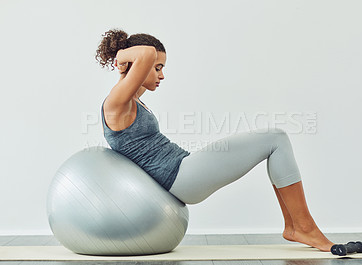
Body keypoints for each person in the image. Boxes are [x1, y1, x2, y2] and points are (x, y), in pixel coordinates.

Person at [95, 29, 335, 252]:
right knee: (276, 139)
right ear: (138, 64)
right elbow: (146, 53)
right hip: (181, 177)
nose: (162, 75)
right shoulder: (117, 102)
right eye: (157, 67)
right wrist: (123, 56)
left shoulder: (134, 100)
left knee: (275, 141)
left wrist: (131, 62)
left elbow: (144, 59)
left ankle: (295, 227)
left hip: (184, 169)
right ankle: (304, 228)